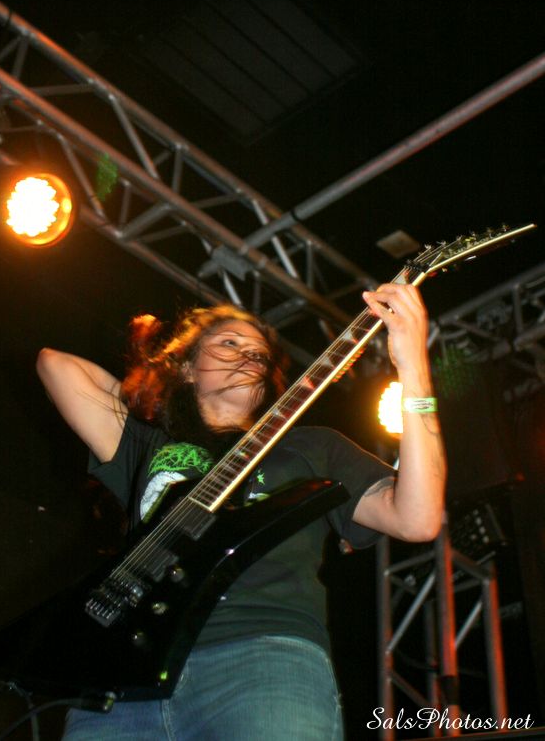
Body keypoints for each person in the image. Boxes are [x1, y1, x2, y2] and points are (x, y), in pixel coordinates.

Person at [37, 285, 445, 740]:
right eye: (229, 343)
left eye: (258, 354)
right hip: (122, 676)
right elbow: (55, 365)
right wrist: (156, 396)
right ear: (187, 366)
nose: (249, 356)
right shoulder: (149, 443)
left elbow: (418, 518)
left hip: (263, 660)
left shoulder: (313, 446)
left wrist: (414, 369)